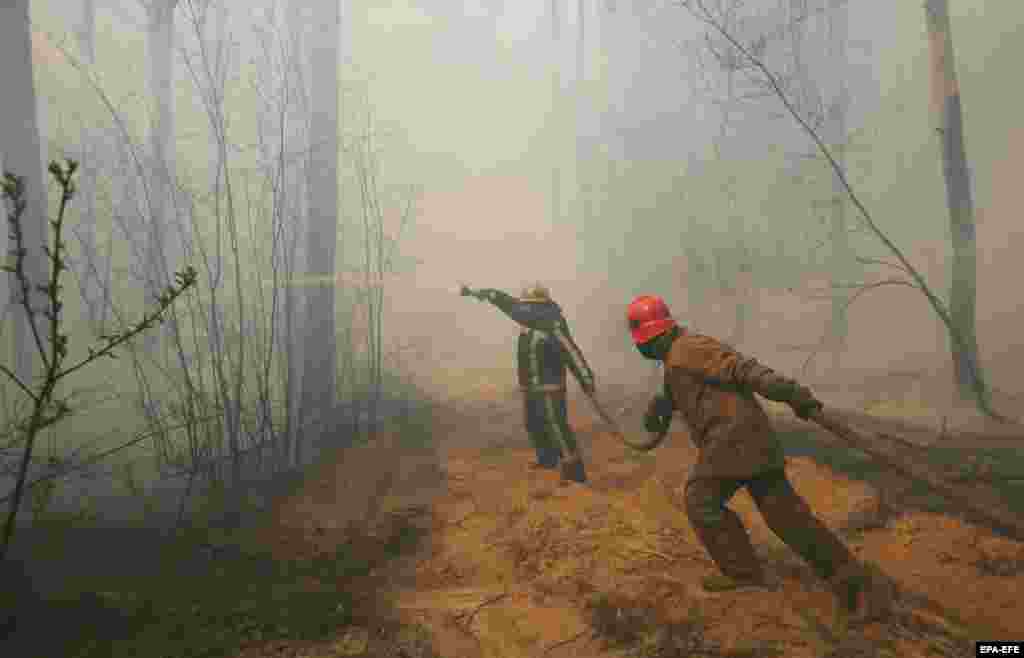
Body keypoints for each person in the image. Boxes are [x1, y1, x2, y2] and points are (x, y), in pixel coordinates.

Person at [626, 294, 885, 619]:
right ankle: (855, 585)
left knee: (701, 500)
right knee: (789, 520)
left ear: (655, 336)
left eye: (645, 343)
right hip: (751, 441)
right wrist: (660, 408)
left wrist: (792, 394)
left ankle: (743, 572)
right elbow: (681, 389)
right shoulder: (678, 357)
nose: (644, 349)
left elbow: (744, 369)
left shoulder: (689, 349)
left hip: (731, 441)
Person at [462, 283, 595, 483]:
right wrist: (477, 293)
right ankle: (547, 459)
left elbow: (571, 351)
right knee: (533, 424)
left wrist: (585, 378)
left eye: (527, 306)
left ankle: (574, 470)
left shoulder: (553, 323)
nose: (522, 309)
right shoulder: (527, 318)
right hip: (530, 387)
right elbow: (505, 301)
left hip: (550, 387)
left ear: (539, 306)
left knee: (556, 426)